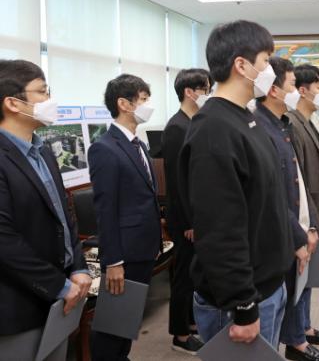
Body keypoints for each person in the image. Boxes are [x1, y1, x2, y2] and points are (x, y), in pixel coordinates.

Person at [178, 20, 293, 348]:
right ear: (241, 65)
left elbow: (265, 198)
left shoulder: (245, 117)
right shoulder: (213, 129)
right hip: (239, 301)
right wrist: (243, 305)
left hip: (267, 285)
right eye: (265, 61)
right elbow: (220, 229)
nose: (270, 69)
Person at [0, 59, 91, 354]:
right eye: (42, 91)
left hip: (60, 294)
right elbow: (4, 240)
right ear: (12, 103)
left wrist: (78, 267)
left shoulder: (43, 151)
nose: (50, 100)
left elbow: (64, 215)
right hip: (18, 306)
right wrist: (59, 286)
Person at [253, 57, 319, 361]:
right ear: (274, 90)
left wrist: (309, 226)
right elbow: (269, 194)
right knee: (273, 311)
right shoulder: (259, 129)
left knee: (293, 291)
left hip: (296, 225)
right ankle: (294, 341)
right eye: (292, 85)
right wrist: (297, 236)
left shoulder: (282, 124)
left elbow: (296, 181)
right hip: (279, 233)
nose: (297, 91)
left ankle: (297, 337)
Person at [88, 74, 162, 361]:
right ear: (124, 104)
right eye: (143, 99)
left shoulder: (138, 144)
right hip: (124, 253)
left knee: (128, 319)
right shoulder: (105, 148)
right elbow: (106, 210)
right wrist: (113, 261)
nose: (147, 105)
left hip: (144, 248)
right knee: (113, 323)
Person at [287, 64, 319, 346]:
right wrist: (308, 225)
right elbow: (297, 181)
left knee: (307, 279)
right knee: (300, 278)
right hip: (305, 216)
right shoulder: (293, 124)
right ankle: (298, 340)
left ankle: (305, 328)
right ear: (302, 90)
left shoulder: (305, 121)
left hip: (314, 214)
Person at [162, 68, 211, 354]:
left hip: (197, 214)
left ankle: (192, 324)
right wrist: (190, 222)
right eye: (205, 89)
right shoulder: (176, 127)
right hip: (185, 219)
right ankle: (180, 335)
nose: (209, 94)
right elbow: (178, 182)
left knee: (195, 274)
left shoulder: (194, 122)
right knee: (183, 276)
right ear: (189, 92)